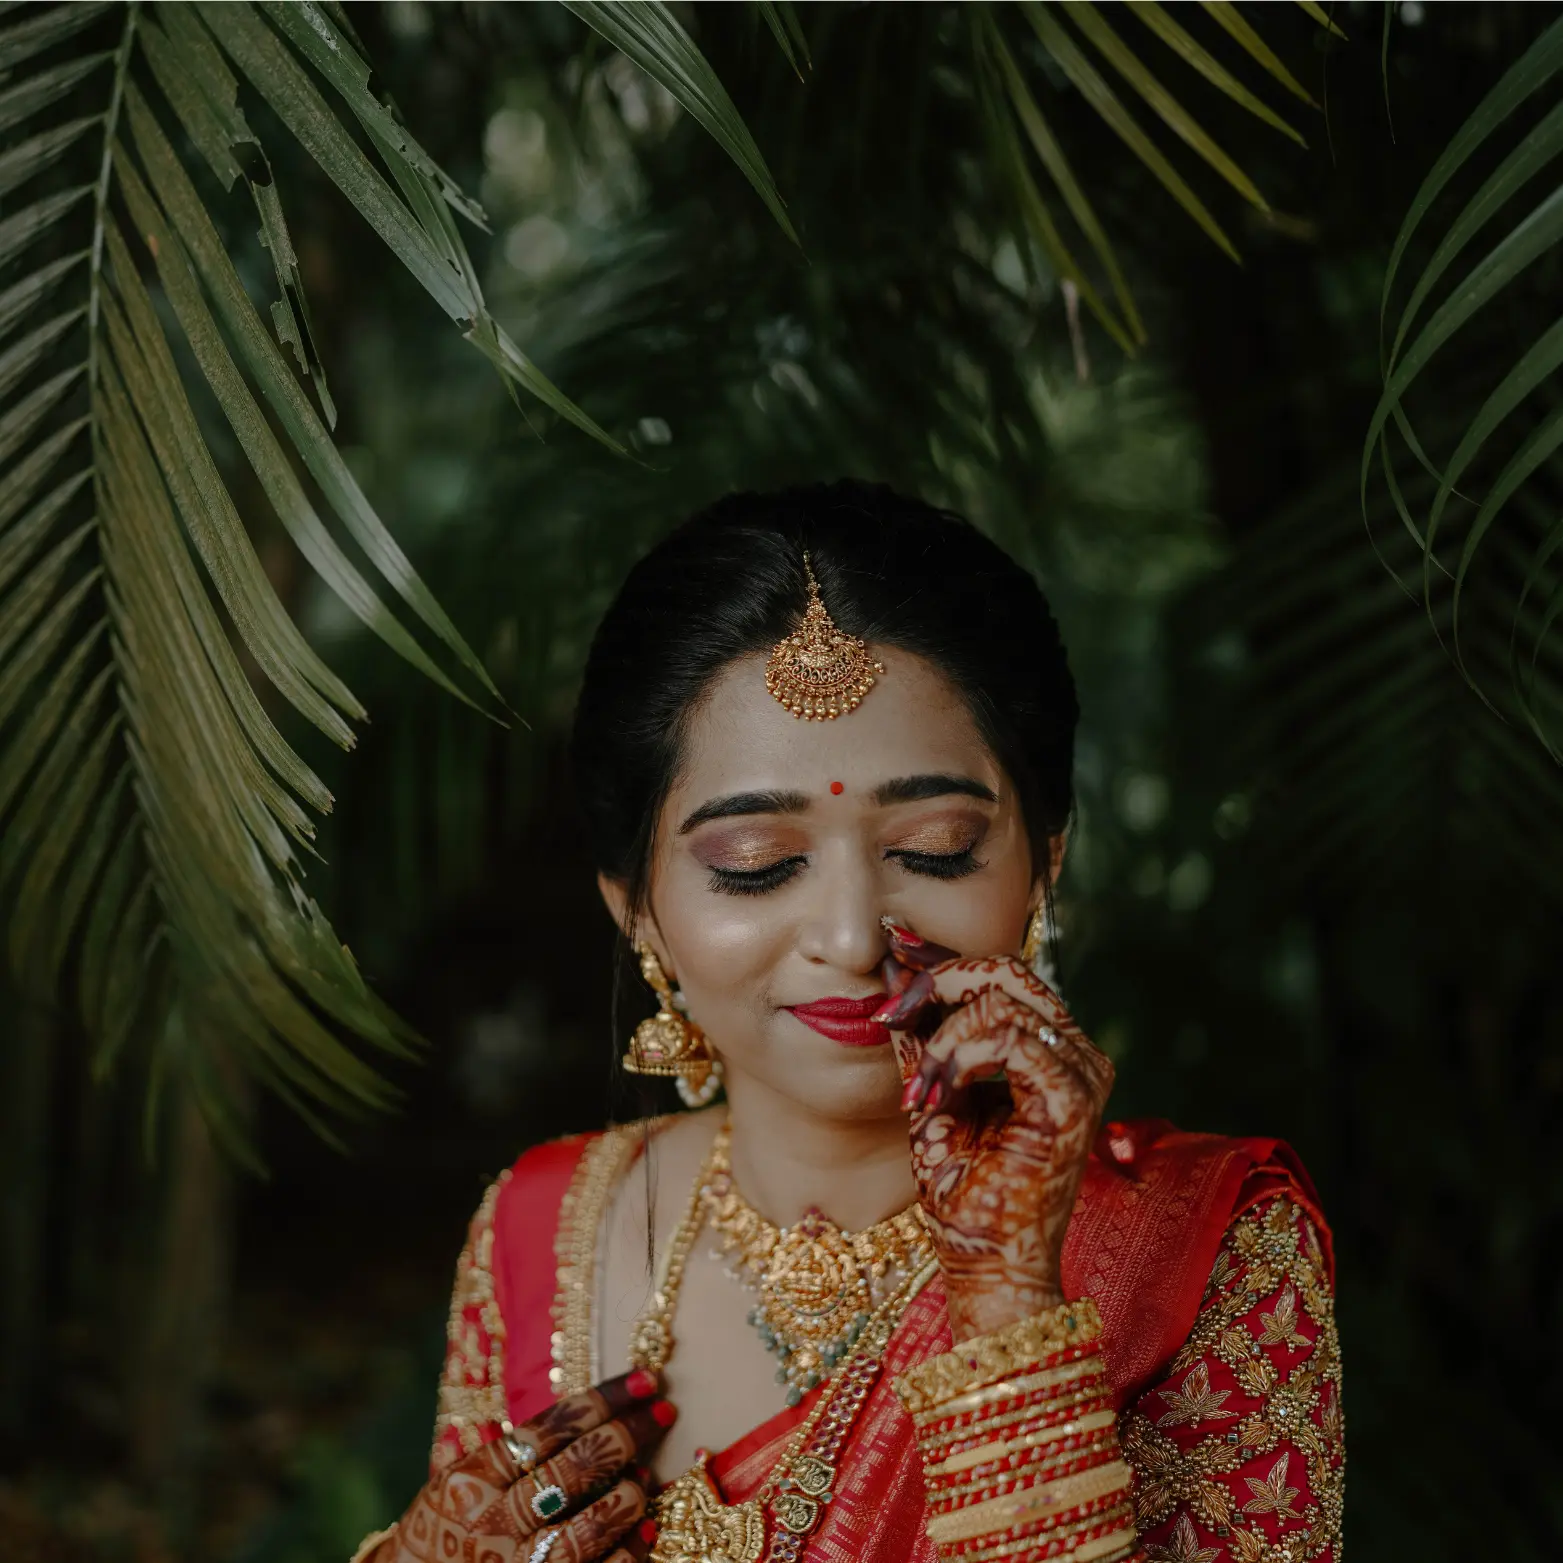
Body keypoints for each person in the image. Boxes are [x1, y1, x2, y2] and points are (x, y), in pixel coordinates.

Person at [353, 482, 1344, 1563]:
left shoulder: (1204, 1248)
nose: (850, 935)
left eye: (932, 849)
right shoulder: (541, 1230)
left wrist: (1008, 1299)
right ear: (636, 908)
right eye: (755, 864)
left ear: (1043, 865)